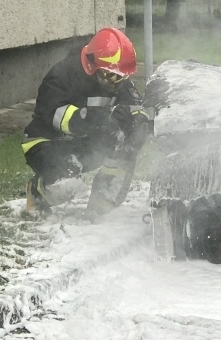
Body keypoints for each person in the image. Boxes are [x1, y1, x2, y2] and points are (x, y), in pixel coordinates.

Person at [21, 27, 150, 216]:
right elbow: (55, 115)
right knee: (65, 185)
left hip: (86, 143)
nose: (115, 82)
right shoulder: (60, 76)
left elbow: (134, 104)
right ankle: (37, 193)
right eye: (110, 76)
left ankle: (104, 199)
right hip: (47, 142)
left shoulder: (115, 78)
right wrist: (91, 117)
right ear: (92, 66)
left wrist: (138, 121)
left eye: (122, 77)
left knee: (126, 140)